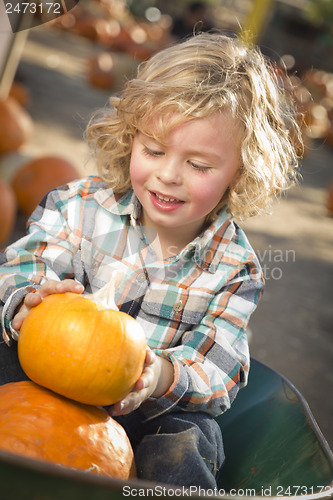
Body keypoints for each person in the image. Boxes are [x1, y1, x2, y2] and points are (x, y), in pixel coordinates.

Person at [0, 33, 300, 489]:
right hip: (43, 376)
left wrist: (160, 374)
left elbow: (221, 367)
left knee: (190, 439)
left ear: (240, 172)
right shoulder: (78, 206)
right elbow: (25, 264)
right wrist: (27, 301)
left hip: (146, 412)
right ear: (131, 136)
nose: (168, 174)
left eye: (198, 165)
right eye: (154, 150)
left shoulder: (235, 269)